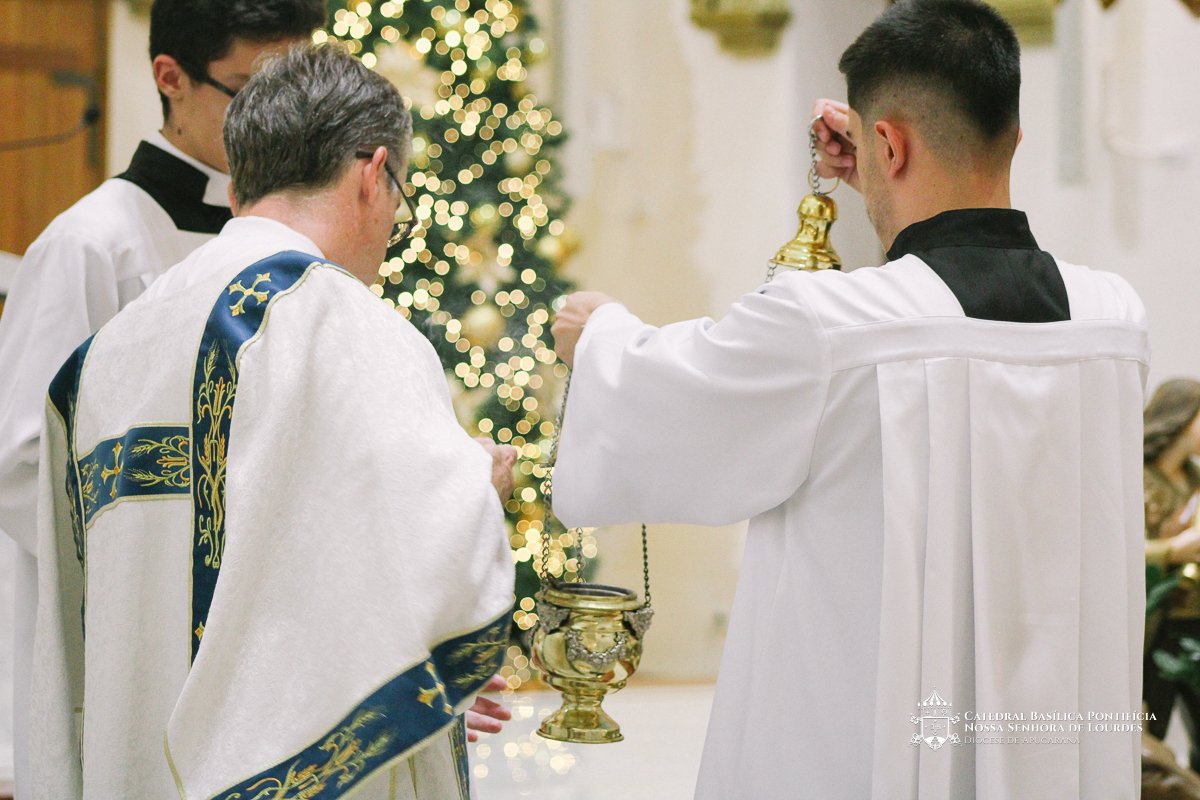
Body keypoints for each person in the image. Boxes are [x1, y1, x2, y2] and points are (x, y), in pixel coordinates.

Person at [549, 1, 1149, 797]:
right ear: (1014, 137)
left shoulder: (831, 324)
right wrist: (882, 168)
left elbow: (672, 391)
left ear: (888, 145)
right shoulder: (1113, 320)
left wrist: (596, 334)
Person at [29, 44, 516, 799]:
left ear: (238, 188)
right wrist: (476, 489)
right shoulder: (345, 325)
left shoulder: (101, 359)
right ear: (372, 175)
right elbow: (423, 554)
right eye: (399, 194)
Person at [0, 2, 325, 794]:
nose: (281, 118)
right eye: (250, 90)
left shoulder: (299, 244)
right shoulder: (92, 244)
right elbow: (21, 463)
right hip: (124, 631)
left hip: (252, 635)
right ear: (170, 78)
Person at [1143, 379, 1200, 767]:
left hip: (1194, 619)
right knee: (1151, 727)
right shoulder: (1135, 477)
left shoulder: (1195, 479)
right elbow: (1113, 550)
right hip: (1154, 625)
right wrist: (1171, 550)